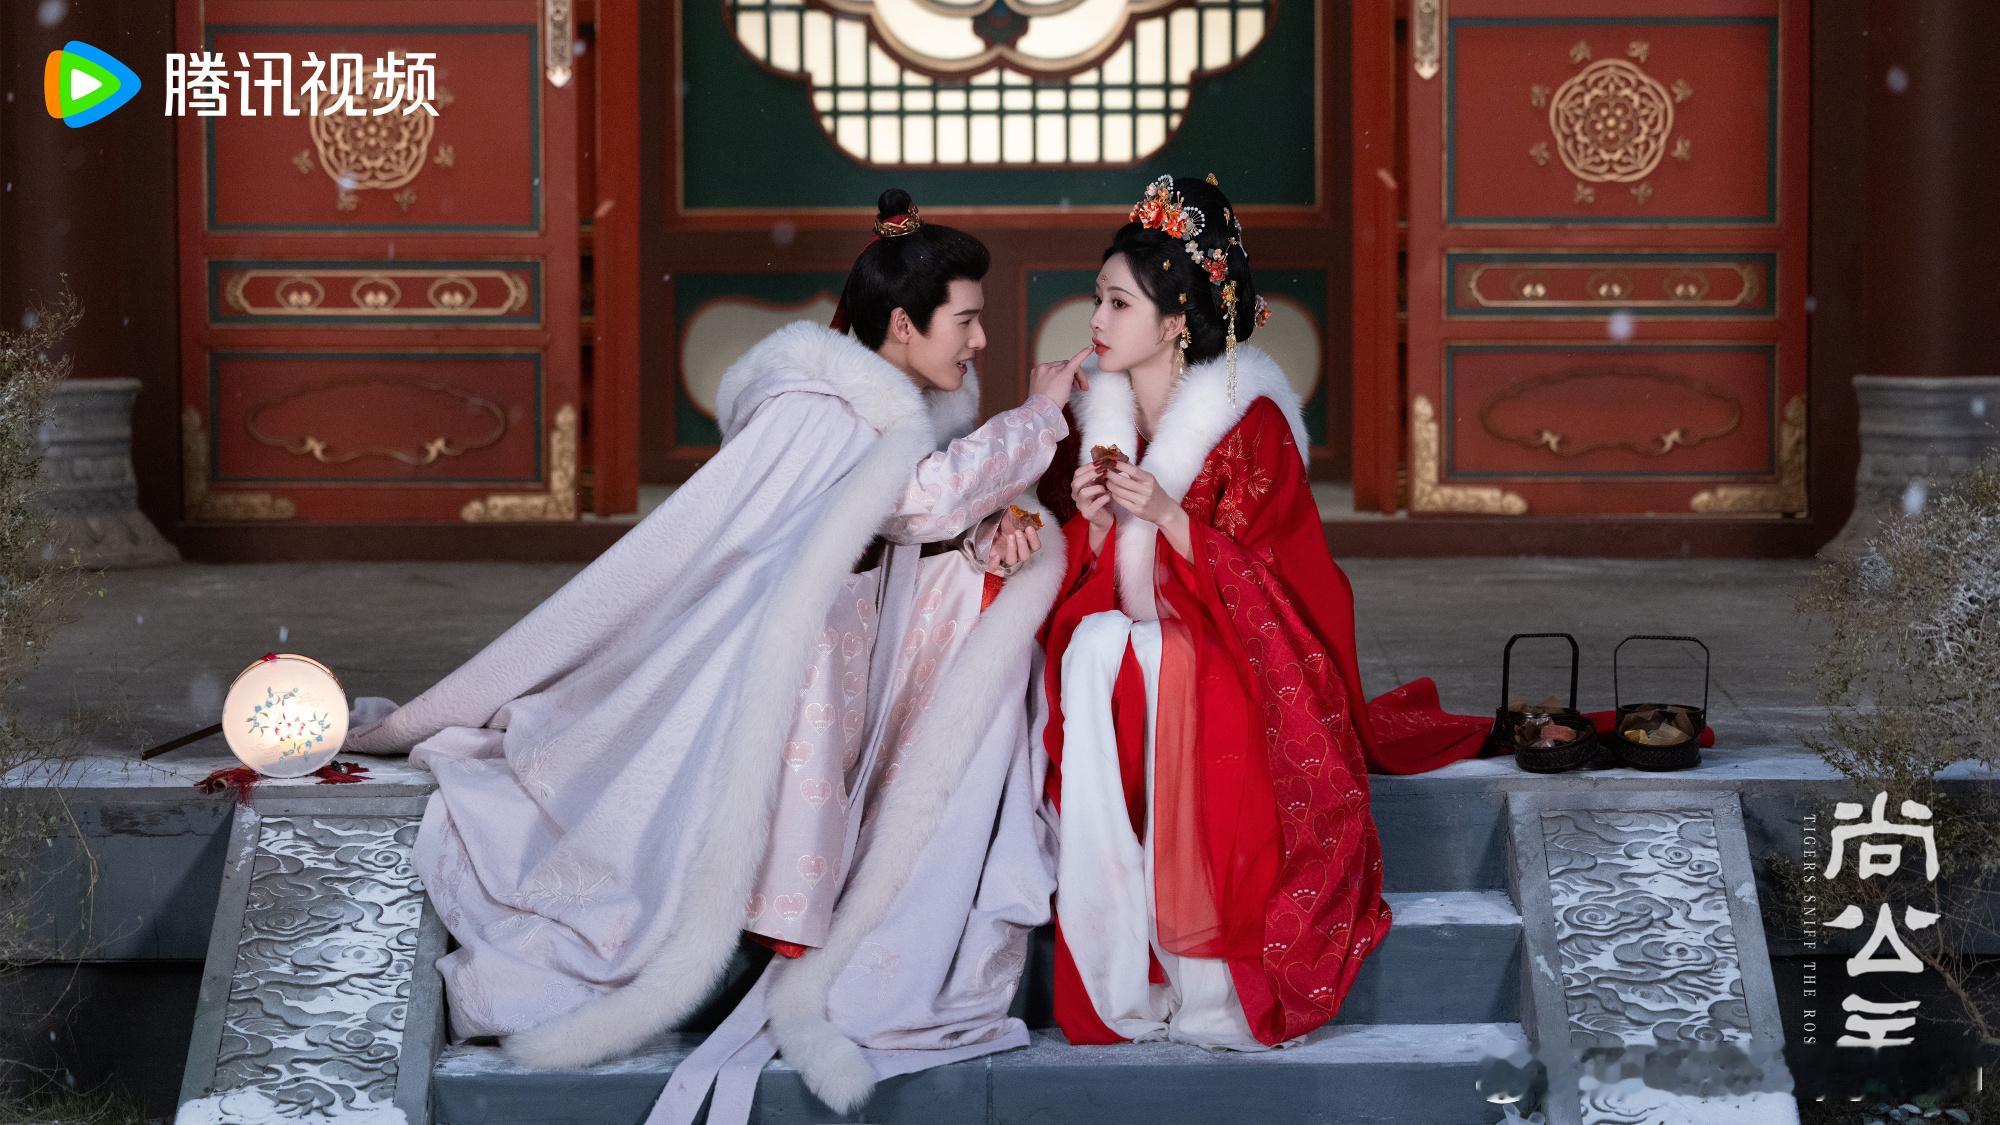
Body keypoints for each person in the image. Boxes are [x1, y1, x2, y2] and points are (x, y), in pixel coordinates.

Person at [343, 189, 1090, 1116]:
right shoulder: (822, 409)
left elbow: (919, 524)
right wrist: (1039, 415)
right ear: (904, 323)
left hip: (839, 652)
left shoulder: (896, 407)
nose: (980, 340)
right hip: (768, 656)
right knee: (643, 857)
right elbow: (920, 501)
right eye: (966, 320)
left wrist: (993, 531)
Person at [1033, 174, 1493, 1053]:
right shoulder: (1098, 424)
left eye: (1118, 303)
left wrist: (1171, 521)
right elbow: (1076, 582)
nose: (1096, 319)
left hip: (1236, 663)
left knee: (1163, 664)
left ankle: (1206, 969)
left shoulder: (1253, 428)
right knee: (1096, 648)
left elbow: (1285, 594)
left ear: (1176, 318)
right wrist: (1090, 527)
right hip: (1138, 651)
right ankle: (1124, 959)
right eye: (1097, 297)